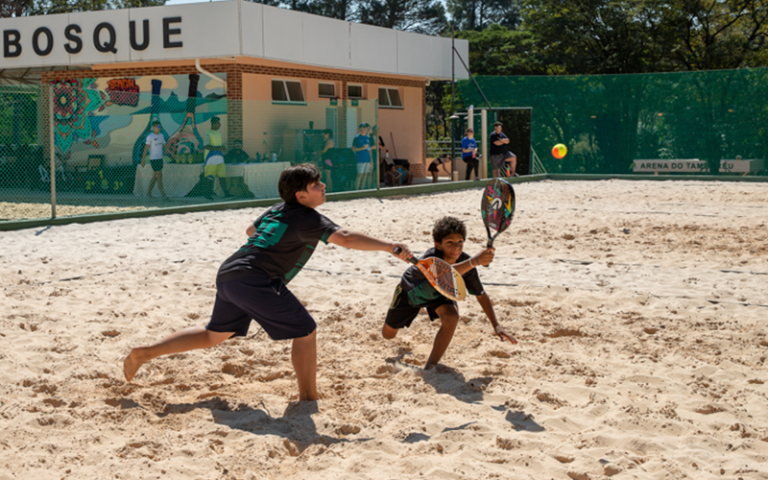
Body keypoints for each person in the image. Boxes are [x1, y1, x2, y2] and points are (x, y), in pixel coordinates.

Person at [123, 163, 413, 401]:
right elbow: (346, 237)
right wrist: (390, 246)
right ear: (301, 195)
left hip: (230, 272)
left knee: (214, 335)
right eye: (316, 185)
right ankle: (309, 397)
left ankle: (144, 352)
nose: (323, 186)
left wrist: (275, 247)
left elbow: (251, 229)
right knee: (307, 330)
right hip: (253, 280)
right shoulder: (309, 218)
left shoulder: (277, 209)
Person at [381, 216, 517, 369]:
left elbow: (481, 295)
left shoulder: (466, 262)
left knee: (452, 316)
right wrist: (474, 262)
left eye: (460, 242)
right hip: (411, 293)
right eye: (450, 243)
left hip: (439, 295)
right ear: (437, 244)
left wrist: (496, 325)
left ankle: (430, 367)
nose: (457, 247)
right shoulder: (431, 257)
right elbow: (442, 275)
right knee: (388, 335)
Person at [203, 116, 231, 199]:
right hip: (210, 159)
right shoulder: (208, 134)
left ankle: (226, 193)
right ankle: (207, 194)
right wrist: (219, 148)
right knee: (210, 177)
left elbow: (218, 145)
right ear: (214, 124)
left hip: (219, 158)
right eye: (218, 123)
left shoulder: (218, 134)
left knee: (222, 176)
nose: (220, 125)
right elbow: (206, 146)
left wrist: (222, 147)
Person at [141, 120, 169, 200]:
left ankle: (148, 193)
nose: (159, 128)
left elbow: (165, 146)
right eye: (157, 127)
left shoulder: (161, 136)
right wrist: (143, 160)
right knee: (159, 176)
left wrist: (171, 153)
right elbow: (146, 149)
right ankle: (163, 195)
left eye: (160, 126)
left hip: (160, 158)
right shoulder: (150, 137)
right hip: (154, 159)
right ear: (153, 127)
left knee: (155, 176)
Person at [352, 123, 372, 190]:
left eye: (366, 127)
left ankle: (362, 190)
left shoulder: (368, 138)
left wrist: (371, 160)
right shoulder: (357, 138)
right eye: (363, 127)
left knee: (365, 175)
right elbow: (353, 149)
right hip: (360, 159)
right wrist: (362, 148)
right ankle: (356, 190)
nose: (364, 129)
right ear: (360, 128)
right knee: (359, 175)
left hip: (367, 159)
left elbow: (369, 150)